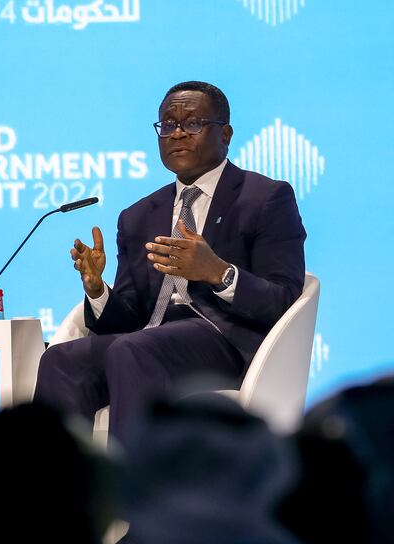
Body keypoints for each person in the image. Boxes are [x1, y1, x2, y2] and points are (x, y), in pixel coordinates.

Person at [34, 81, 306, 445]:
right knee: (61, 360)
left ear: (225, 134)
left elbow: (284, 299)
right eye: (167, 124)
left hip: (224, 341)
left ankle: (136, 493)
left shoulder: (266, 198)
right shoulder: (139, 215)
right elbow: (129, 317)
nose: (177, 133)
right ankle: (59, 496)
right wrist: (98, 291)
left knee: (131, 349)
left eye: (192, 123)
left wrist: (218, 273)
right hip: (143, 342)